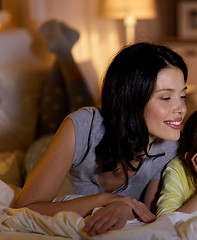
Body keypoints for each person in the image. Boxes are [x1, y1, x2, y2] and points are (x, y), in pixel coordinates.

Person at [15, 42, 188, 236]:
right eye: (166, 98)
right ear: (131, 99)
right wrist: (104, 200)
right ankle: (63, 54)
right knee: (41, 137)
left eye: (183, 96)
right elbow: (26, 208)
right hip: (46, 146)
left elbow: (147, 214)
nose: (181, 109)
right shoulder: (82, 127)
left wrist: (125, 208)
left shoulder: (169, 144)